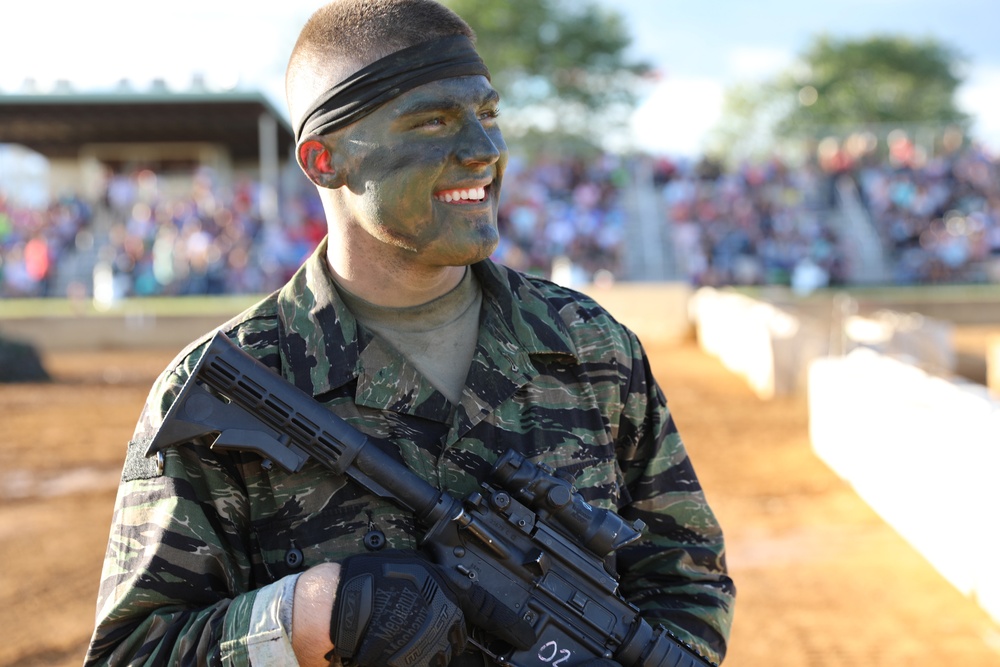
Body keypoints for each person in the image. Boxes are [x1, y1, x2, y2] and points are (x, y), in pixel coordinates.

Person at [85, 1, 735, 665]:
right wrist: (299, 616)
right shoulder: (233, 381)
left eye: (488, 116)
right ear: (323, 160)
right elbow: (131, 651)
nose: (485, 152)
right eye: (432, 121)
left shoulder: (592, 346)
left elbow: (687, 579)